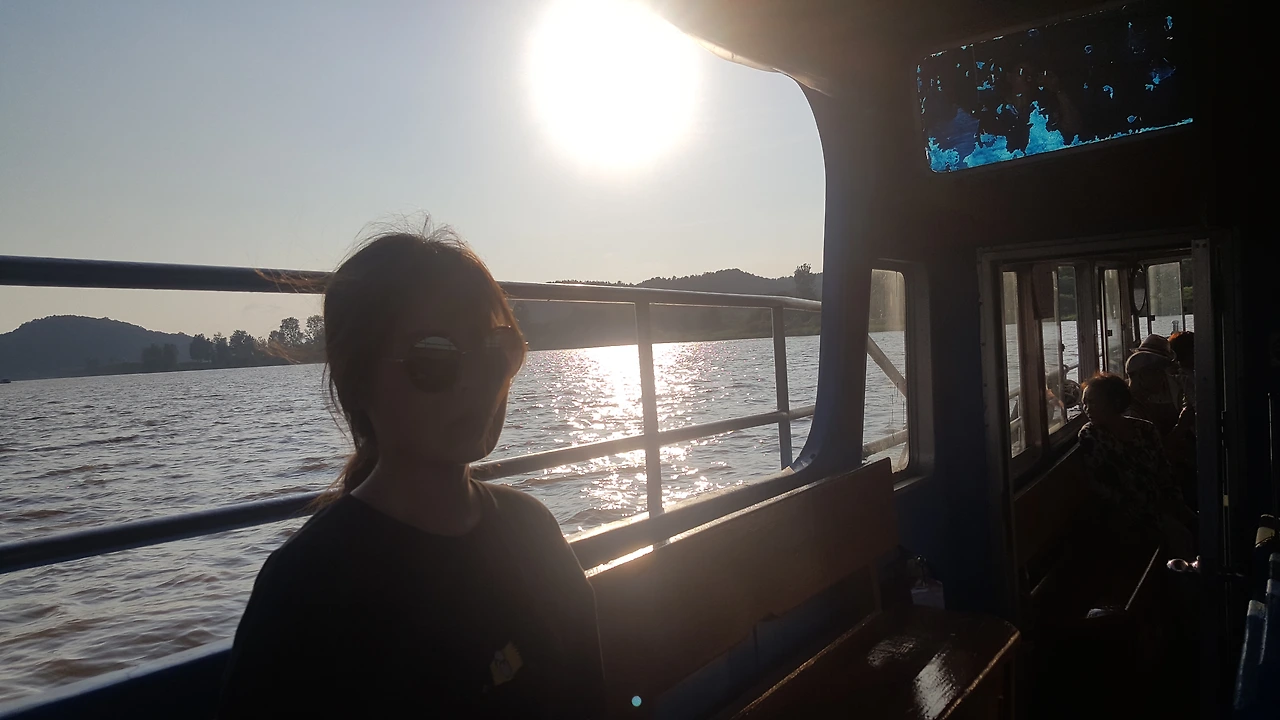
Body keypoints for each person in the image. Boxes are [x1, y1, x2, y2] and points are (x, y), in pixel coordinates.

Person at [219, 229, 606, 718]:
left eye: (496, 349)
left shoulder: (535, 530)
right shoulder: (306, 589)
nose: (478, 382)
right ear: (357, 382)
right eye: (435, 357)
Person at [1077, 373, 1195, 557]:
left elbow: (1164, 470)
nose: (1087, 409)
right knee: (1183, 538)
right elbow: (1107, 486)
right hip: (1129, 513)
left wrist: (1176, 502)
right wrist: (1158, 509)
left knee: (1198, 525)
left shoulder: (1145, 429)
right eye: (1085, 403)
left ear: (1114, 402)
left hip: (1160, 502)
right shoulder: (1091, 436)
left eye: (1092, 402)